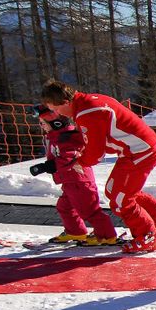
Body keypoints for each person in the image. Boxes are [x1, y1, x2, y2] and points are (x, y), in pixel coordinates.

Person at [40, 79, 156, 253]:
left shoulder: (86, 113)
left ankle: (147, 237)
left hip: (140, 152)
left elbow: (96, 152)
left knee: (121, 199)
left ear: (65, 102)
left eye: (56, 109)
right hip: (135, 150)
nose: (58, 114)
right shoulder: (88, 102)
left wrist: (80, 162)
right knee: (114, 191)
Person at [29, 104, 118, 246]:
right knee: (64, 207)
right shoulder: (57, 136)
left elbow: (70, 156)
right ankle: (76, 231)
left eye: (43, 123)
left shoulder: (68, 138)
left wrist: (47, 166)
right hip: (70, 181)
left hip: (79, 181)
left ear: (56, 124)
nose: (42, 126)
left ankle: (107, 235)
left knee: (89, 210)